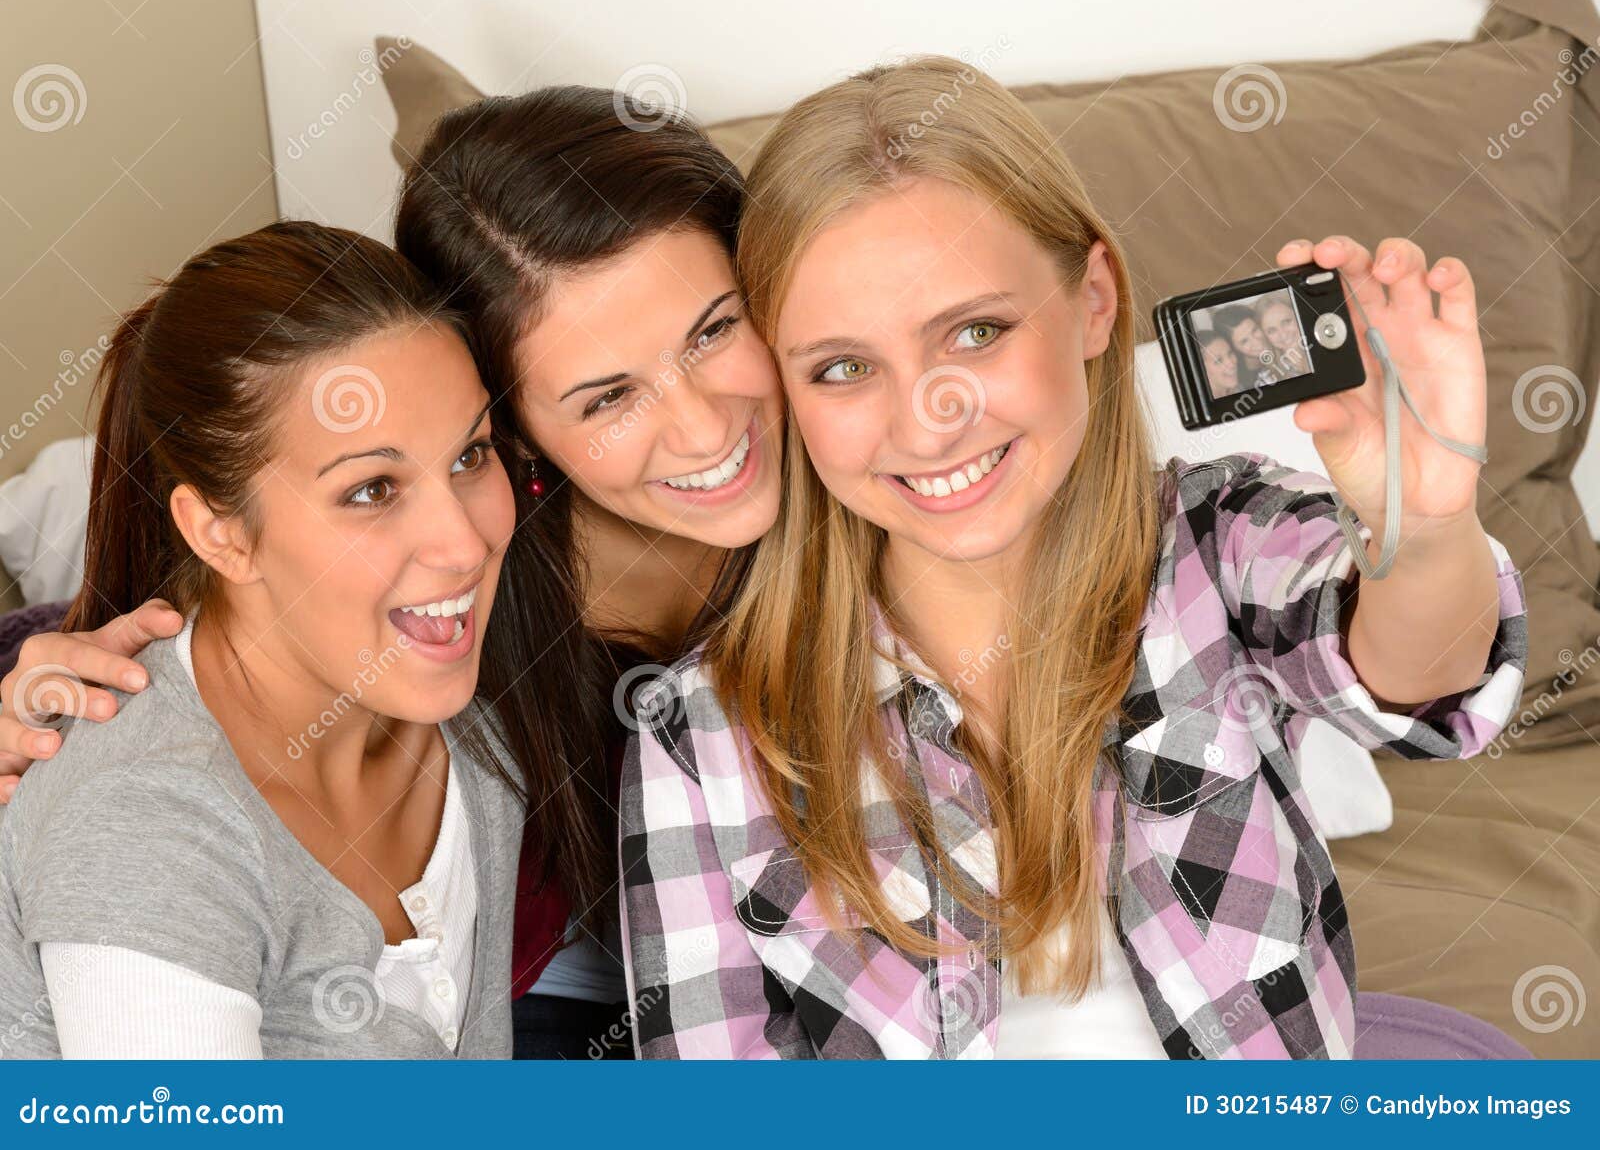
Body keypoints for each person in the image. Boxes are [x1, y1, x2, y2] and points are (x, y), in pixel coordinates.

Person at [618, 57, 1528, 1059]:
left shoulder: (1215, 538)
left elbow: (1413, 680)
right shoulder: (696, 734)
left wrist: (1430, 525)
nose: (929, 422)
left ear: (1092, 300)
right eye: (843, 368)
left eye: (975, 331)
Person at [0, 86, 786, 1059]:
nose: (705, 427)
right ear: (521, 423)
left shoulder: (879, 477)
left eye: (713, 330)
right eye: (606, 394)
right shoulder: (445, 617)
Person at [0, 222, 525, 1057]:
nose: (464, 543)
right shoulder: (152, 824)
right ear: (220, 532)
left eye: (470, 455)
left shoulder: (473, 739)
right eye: (372, 488)